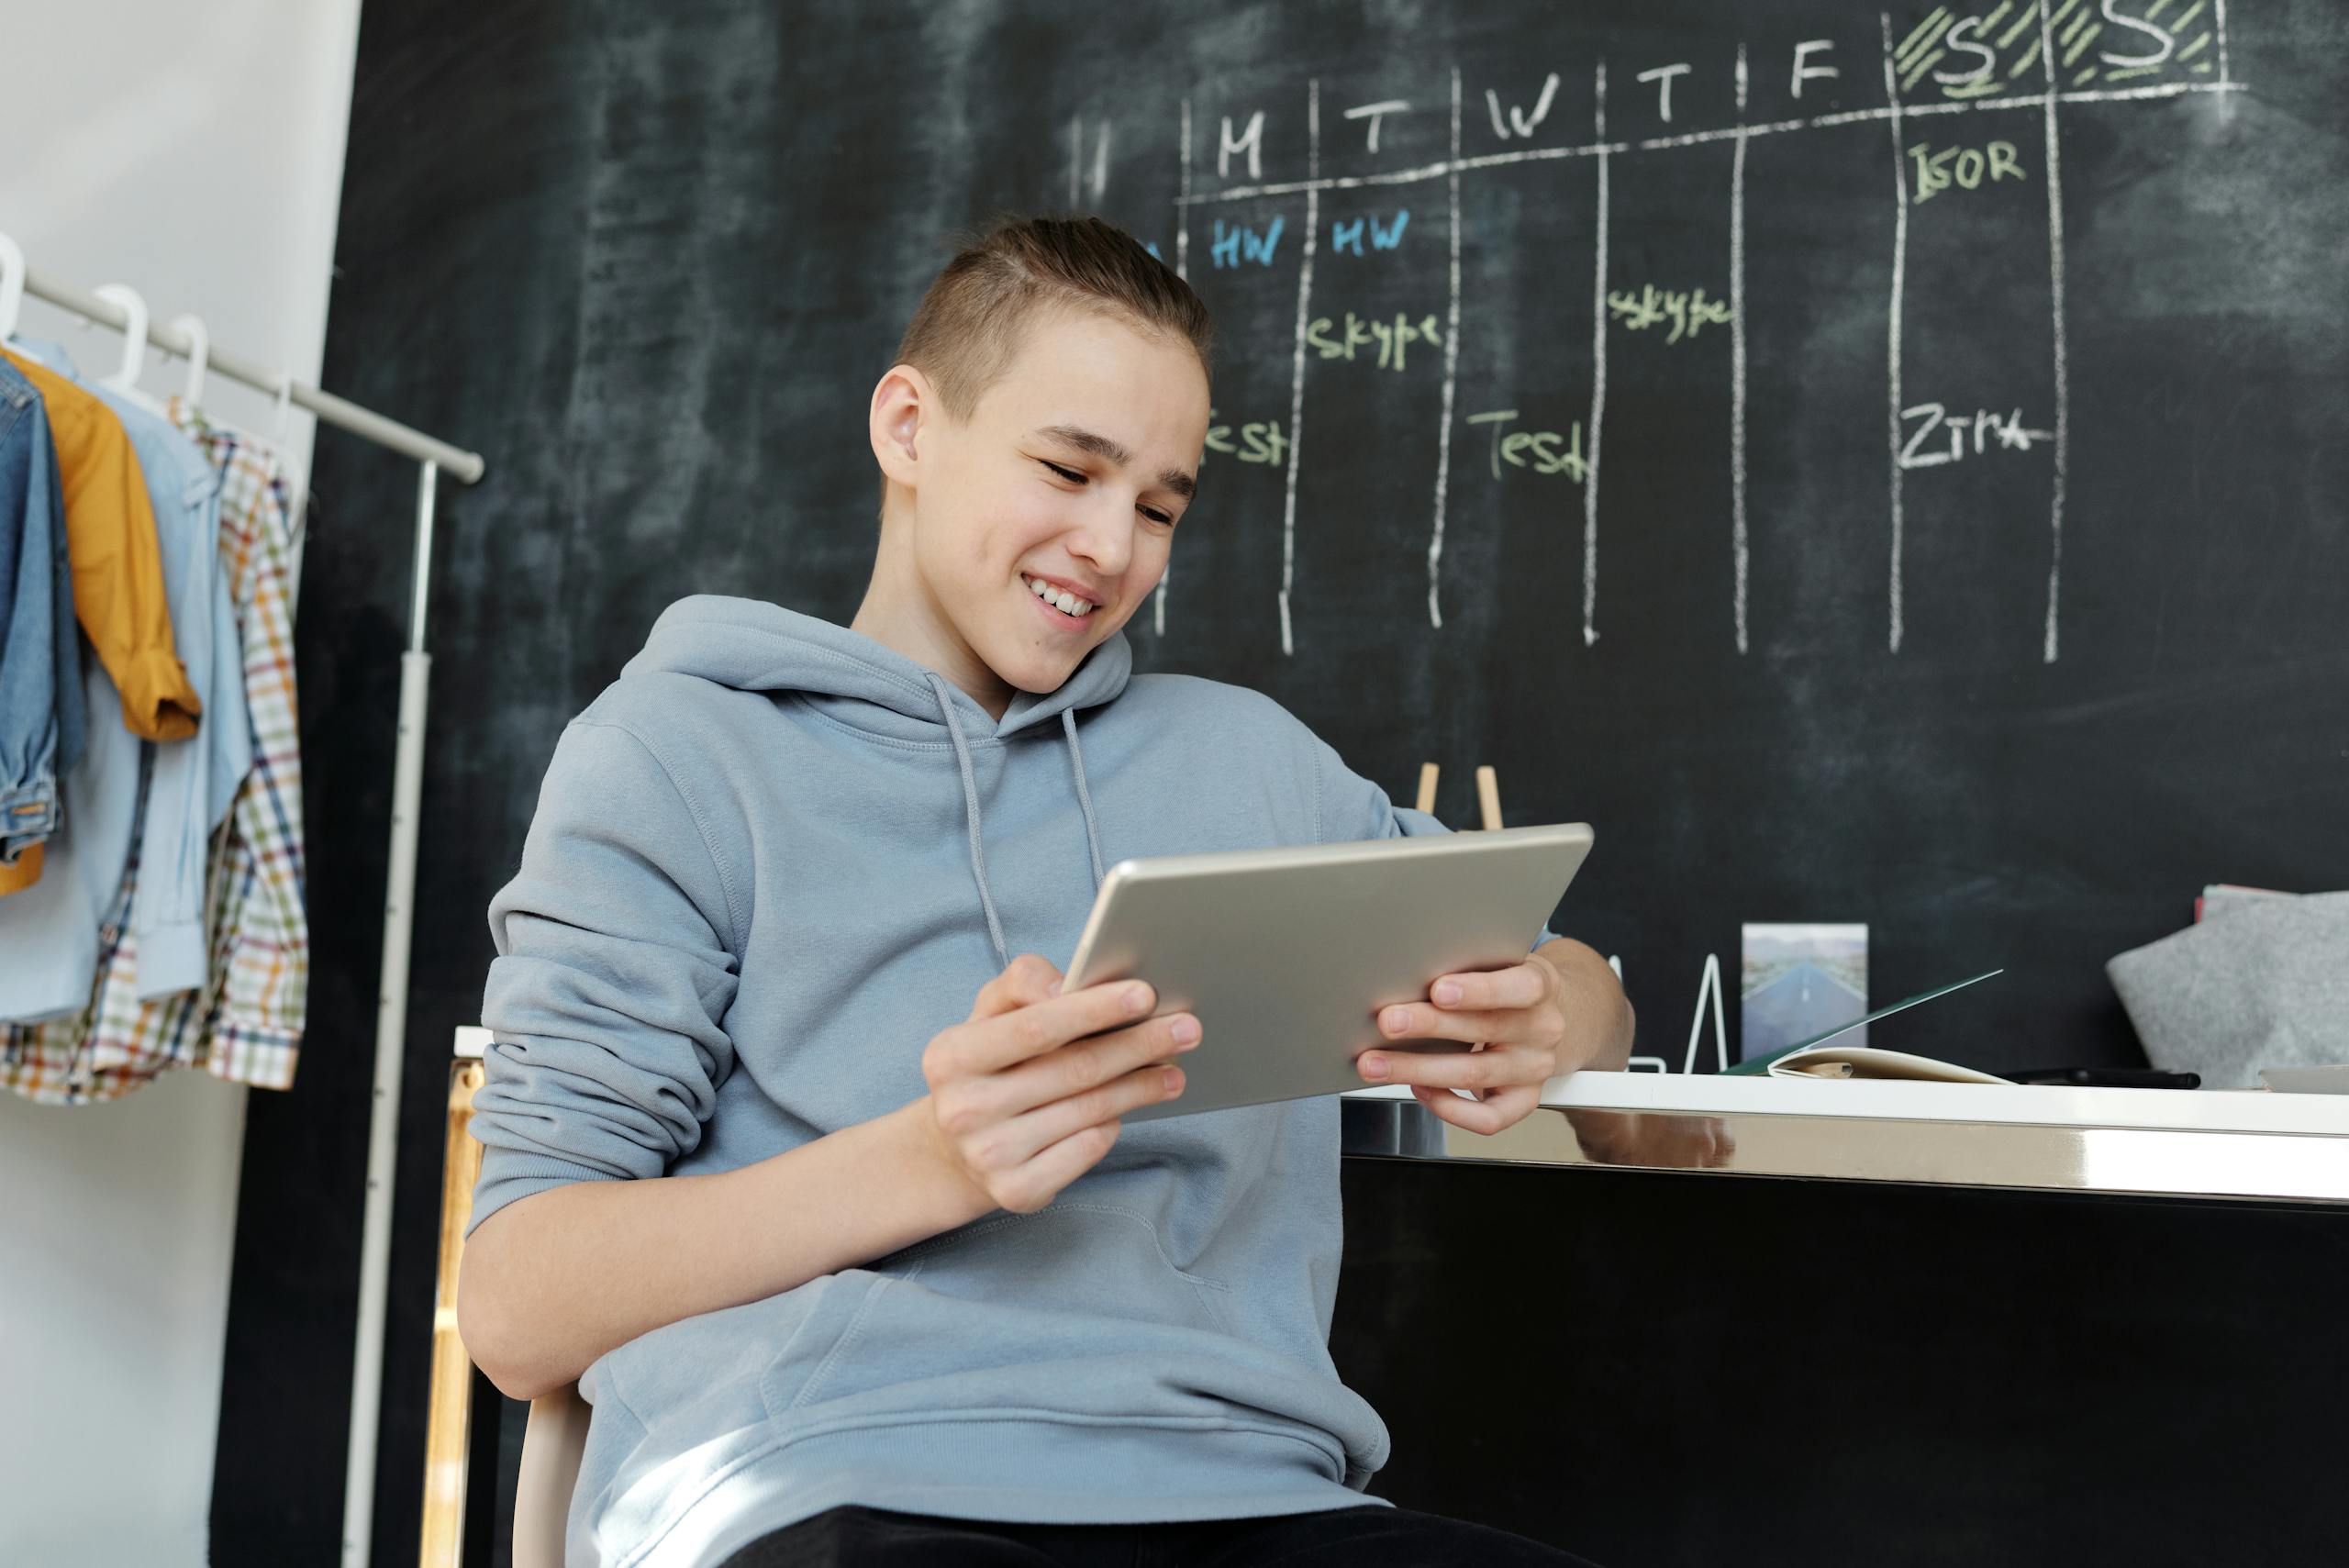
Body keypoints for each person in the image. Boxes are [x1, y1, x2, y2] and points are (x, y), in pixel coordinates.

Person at [458, 214, 1636, 1567]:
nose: (1109, 546)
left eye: (1157, 505)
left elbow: (1583, 980)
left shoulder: (1251, 763)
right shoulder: (678, 757)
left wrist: (1554, 1005)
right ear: (909, 426)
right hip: (821, 1474)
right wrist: (936, 1159)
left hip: (1240, 1488)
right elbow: (515, 1303)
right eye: (1068, 469)